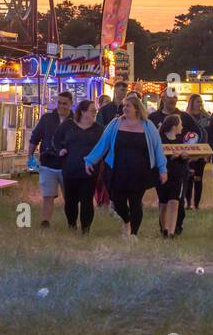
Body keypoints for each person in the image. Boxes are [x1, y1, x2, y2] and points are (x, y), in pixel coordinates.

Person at [85, 93, 168, 238]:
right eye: (124, 106)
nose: (124, 108)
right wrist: (91, 160)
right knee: (118, 203)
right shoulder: (115, 123)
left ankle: (134, 234)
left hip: (140, 172)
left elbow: (157, 148)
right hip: (118, 171)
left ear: (137, 108)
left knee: (136, 203)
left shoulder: (148, 126)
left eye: (128, 106)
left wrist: (162, 169)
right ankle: (127, 221)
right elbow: (103, 144)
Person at [53, 98, 103, 232]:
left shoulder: (98, 129)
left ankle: (86, 229)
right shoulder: (69, 125)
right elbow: (56, 139)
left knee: (87, 201)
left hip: (90, 171)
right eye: (92, 110)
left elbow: (104, 146)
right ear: (82, 111)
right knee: (70, 201)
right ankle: (72, 225)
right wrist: (60, 150)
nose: (94, 113)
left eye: (95, 111)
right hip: (70, 169)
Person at [28, 91, 73, 229]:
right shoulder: (47, 118)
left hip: (68, 166)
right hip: (48, 164)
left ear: (71, 104)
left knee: (70, 198)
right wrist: (29, 156)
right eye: (59, 103)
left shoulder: (75, 121)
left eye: (65, 103)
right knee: (47, 196)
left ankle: (72, 223)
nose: (61, 106)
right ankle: (45, 223)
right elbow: (35, 138)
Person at [157, 114, 192, 238]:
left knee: (174, 202)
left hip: (179, 174)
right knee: (163, 204)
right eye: (180, 124)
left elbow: (190, 153)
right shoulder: (159, 138)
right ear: (174, 126)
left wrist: (185, 156)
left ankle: (171, 232)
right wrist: (170, 157)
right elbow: (156, 154)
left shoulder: (182, 139)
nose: (182, 127)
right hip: (163, 174)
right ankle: (164, 229)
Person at [184, 93, 211, 210]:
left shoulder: (206, 118)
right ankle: (188, 203)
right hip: (188, 153)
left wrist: (206, 153)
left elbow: (209, 135)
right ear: (192, 103)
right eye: (197, 101)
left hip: (201, 153)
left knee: (198, 178)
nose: (199, 104)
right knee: (188, 178)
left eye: (201, 102)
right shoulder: (185, 117)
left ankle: (196, 204)